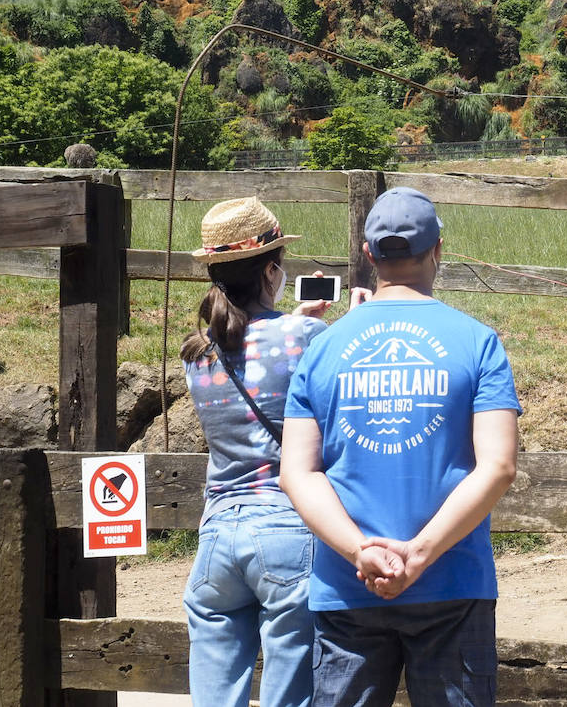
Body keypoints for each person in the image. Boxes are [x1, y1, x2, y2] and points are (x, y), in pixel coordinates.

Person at [281, 186, 522, 707]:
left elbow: (297, 473)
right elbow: (498, 465)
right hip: (452, 581)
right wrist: (420, 552)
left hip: (349, 586)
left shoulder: (322, 349)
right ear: (438, 250)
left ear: (368, 256)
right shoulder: (478, 341)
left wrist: (361, 550)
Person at [181, 196, 333, 707]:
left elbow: (247, 345)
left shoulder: (197, 355)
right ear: (272, 269)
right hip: (288, 527)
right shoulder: (309, 336)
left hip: (218, 533)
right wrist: (316, 322)